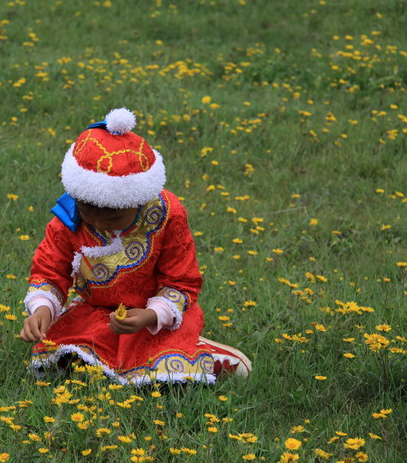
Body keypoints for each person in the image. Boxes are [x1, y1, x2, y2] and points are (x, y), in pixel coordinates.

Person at [19, 108, 251, 385]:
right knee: (65, 362)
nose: (98, 224)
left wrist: (152, 315)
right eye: (87, 212)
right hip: (97, 315)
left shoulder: (167, 215)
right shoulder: (69, 217)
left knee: (165, 381)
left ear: (140, 199)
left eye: (114, 217)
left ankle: (203, 354)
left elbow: (181, 281)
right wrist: (43, 309)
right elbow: (49, 269)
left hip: (153, 319)